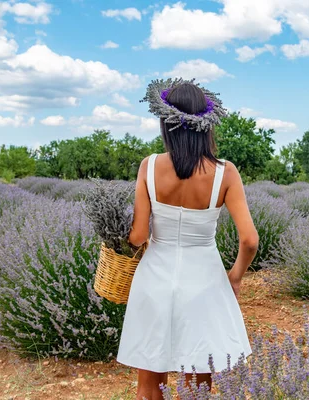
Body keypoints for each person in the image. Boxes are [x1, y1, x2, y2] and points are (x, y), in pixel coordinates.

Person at [116, 78, 258, 400]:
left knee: (149, 385)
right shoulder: (226, 173)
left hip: (154, 278)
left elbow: (138, 237)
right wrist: (234, 278)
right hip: (204, 282)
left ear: (166, 123)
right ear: (206, 124)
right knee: (198, 385)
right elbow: (249, 240)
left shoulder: (149, 167)